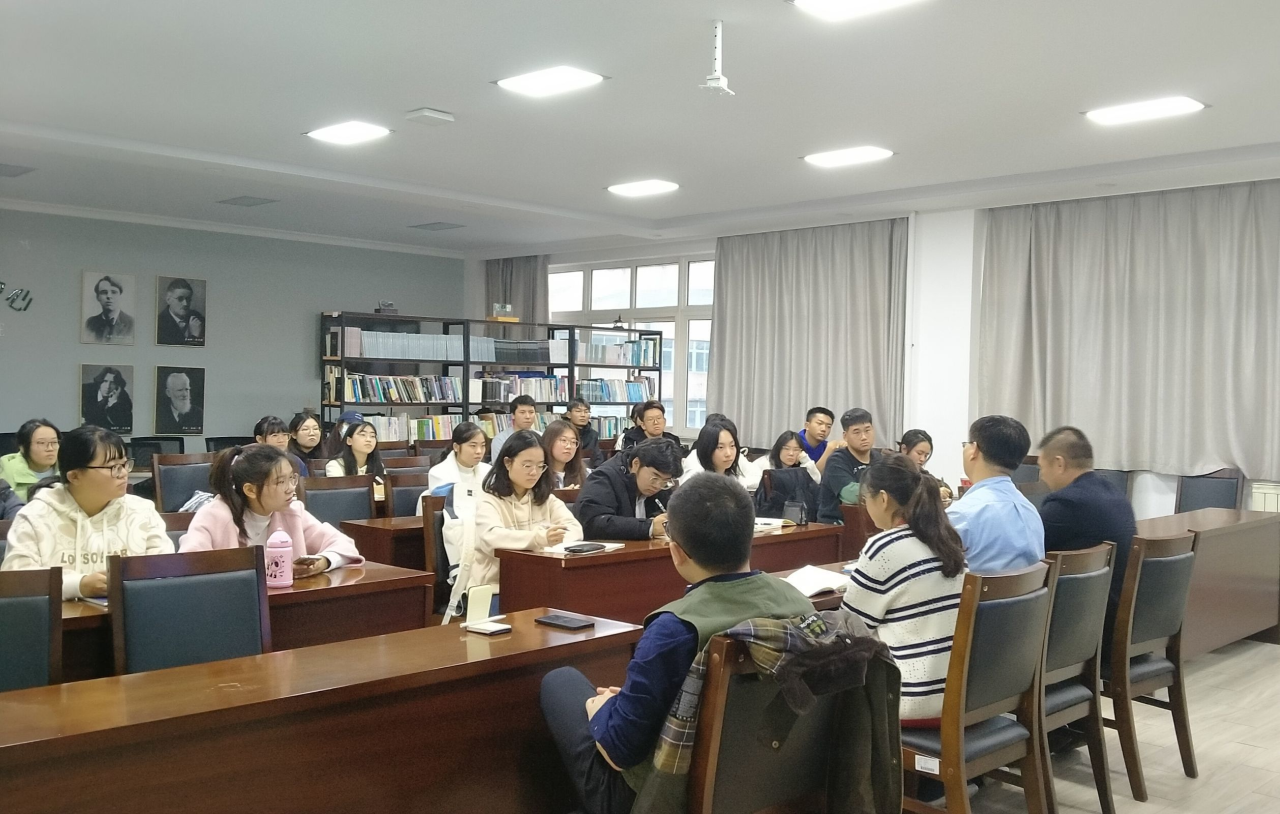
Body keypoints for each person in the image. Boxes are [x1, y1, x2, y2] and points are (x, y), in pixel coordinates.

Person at [539, 475, 812, 812]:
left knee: (561, 682)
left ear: (677, 552)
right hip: (776, 784)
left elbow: (620, 752)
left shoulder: (674, 629)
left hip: (669, 796)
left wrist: (602, 708)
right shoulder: (801, 604)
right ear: (749, 536)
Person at [842, 454, 966, 724]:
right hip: (962, 695)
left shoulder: (884, 547)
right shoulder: (946, 540)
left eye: (865, 499)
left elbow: (849, 627)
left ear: (883, 499)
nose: (865, 507)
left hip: (909, 699)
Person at [1, 425, 170, 599]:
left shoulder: (142, 511)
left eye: (125, 464)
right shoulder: (35, 516)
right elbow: (16, 580)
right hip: (61, 615)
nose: (123, 474)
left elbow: (166, 569)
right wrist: (78, 585)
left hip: (132, 612)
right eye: (113, 467)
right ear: (74, 476)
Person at [179, 444, 363, 575]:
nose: (291, 488)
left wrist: (324, 561)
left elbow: (344, 544)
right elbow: (188, 565)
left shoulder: (291, 511)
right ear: (250, 490)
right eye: (280, 482)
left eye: (292, 478)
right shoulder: (214, 515)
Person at [473, 431, 583, 615]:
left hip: (540, 584)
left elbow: (574, 529)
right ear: (507, 463)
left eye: (540, 466)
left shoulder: (544, 498)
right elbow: (491, 538)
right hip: (496, 588)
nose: (534, 472)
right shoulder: (489, 499)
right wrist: (540, 538)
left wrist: (552, 539)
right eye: (527, 465)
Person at [1037, 426, 1136, 619]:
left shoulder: (1066, 504)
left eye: (1041, 467)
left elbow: (1029, 552)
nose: (1041, 475)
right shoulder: (1116, 495)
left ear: (1059, 463)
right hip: (1115, 614)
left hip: (1082, 620)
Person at [946, 415, 1045, 574]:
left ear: (974, 450)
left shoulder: (960, 516)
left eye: (966, 444)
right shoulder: (1031, 512)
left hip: (971, 591)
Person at [577, 438, 683, 540]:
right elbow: (593, 523)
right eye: (655, 477)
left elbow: (664, 512)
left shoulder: (661, 484)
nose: (657, 486)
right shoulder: (604, 478)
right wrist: (648, 527)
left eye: (665, 481)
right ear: (636, 464)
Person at [816, 408, 882, 524]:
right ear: (845, 436)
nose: (864, 437)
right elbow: (851, 495)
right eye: (856, 432)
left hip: (868, 521)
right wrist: (884, 491)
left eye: (867, 430)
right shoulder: (837, 460)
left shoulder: (878, 458)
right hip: (835, 525)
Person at [681, 419, 761, 490]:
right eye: (720, 447)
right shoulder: (696, 482)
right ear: (707, 449)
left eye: (732, 446)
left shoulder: (735, 480)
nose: (728, 453)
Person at [0, 419, 62, 502]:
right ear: (22, 447)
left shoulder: (69, 468)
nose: (50, 448)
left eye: (54, 442)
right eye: (41, 443)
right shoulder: (6, 468)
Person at [426, 421, 492, 494]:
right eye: (473, 446)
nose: (479, 451)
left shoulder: (489, 471)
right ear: (456, 447)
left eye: (483, 445)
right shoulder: (438, 473)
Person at [898, 429, 953, 504]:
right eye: (919, 453)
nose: (923, 459)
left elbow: (944, 487)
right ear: (904, 449)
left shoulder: (920, 472)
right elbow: (905, 496)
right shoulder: (892, 470)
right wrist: (934, 494)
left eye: (926, 455)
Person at [83, 275, 135, 344]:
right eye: (104, 292)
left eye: (114, 292)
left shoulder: (131, 323)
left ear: (120, 296)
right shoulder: (90, 323)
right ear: (98, 297)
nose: (109, 296)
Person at [81, 366, 133, 433]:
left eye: (113, 383)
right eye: (105, 381)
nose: (108, 386)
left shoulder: (122, 396)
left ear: (117, 386)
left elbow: (127, 425)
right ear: (99, 382)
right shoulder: (85, 390)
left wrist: (113, 403)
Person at [156, 278, 205, 346]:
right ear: (168, 300)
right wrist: (194, 336)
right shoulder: (159, 324)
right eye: (180, 299)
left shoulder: (199, 318)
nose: (185, 304)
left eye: (188, 299)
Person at [542, 419, 589, 489]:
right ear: (549, 441)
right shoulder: (538, 474)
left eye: (573, 442)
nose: (569, 446)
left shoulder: (585, 473)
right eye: (563, 440)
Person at [798, 407, 839, 473]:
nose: (824, 429)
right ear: (807, 426)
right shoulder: (793, 444)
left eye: (828, 426)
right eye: (819, 423)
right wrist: (829, 450)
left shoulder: (826, 446)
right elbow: (811, 477)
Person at [565, 398, 603, 467]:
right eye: (578, 411)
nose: (583, 415)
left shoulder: (593, 435)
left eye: (586, 412)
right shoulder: (562, 433)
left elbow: (598, 460)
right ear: (568, 414)